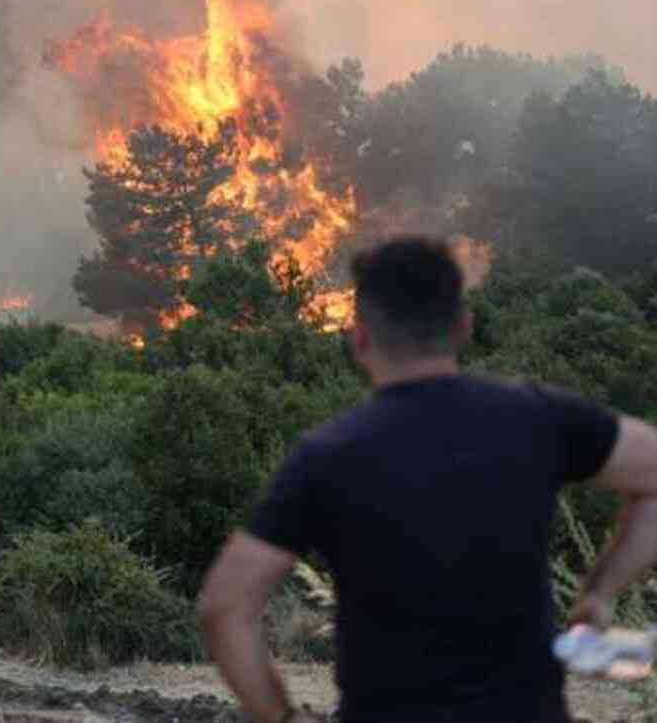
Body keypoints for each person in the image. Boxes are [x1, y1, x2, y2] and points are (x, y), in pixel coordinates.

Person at [197, 236, 657, 723]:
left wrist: (281, 716)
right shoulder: (537, 418)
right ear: (464, 326)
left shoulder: (327, 456)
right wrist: (599, 592)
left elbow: (225, 605)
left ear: (361, 338)